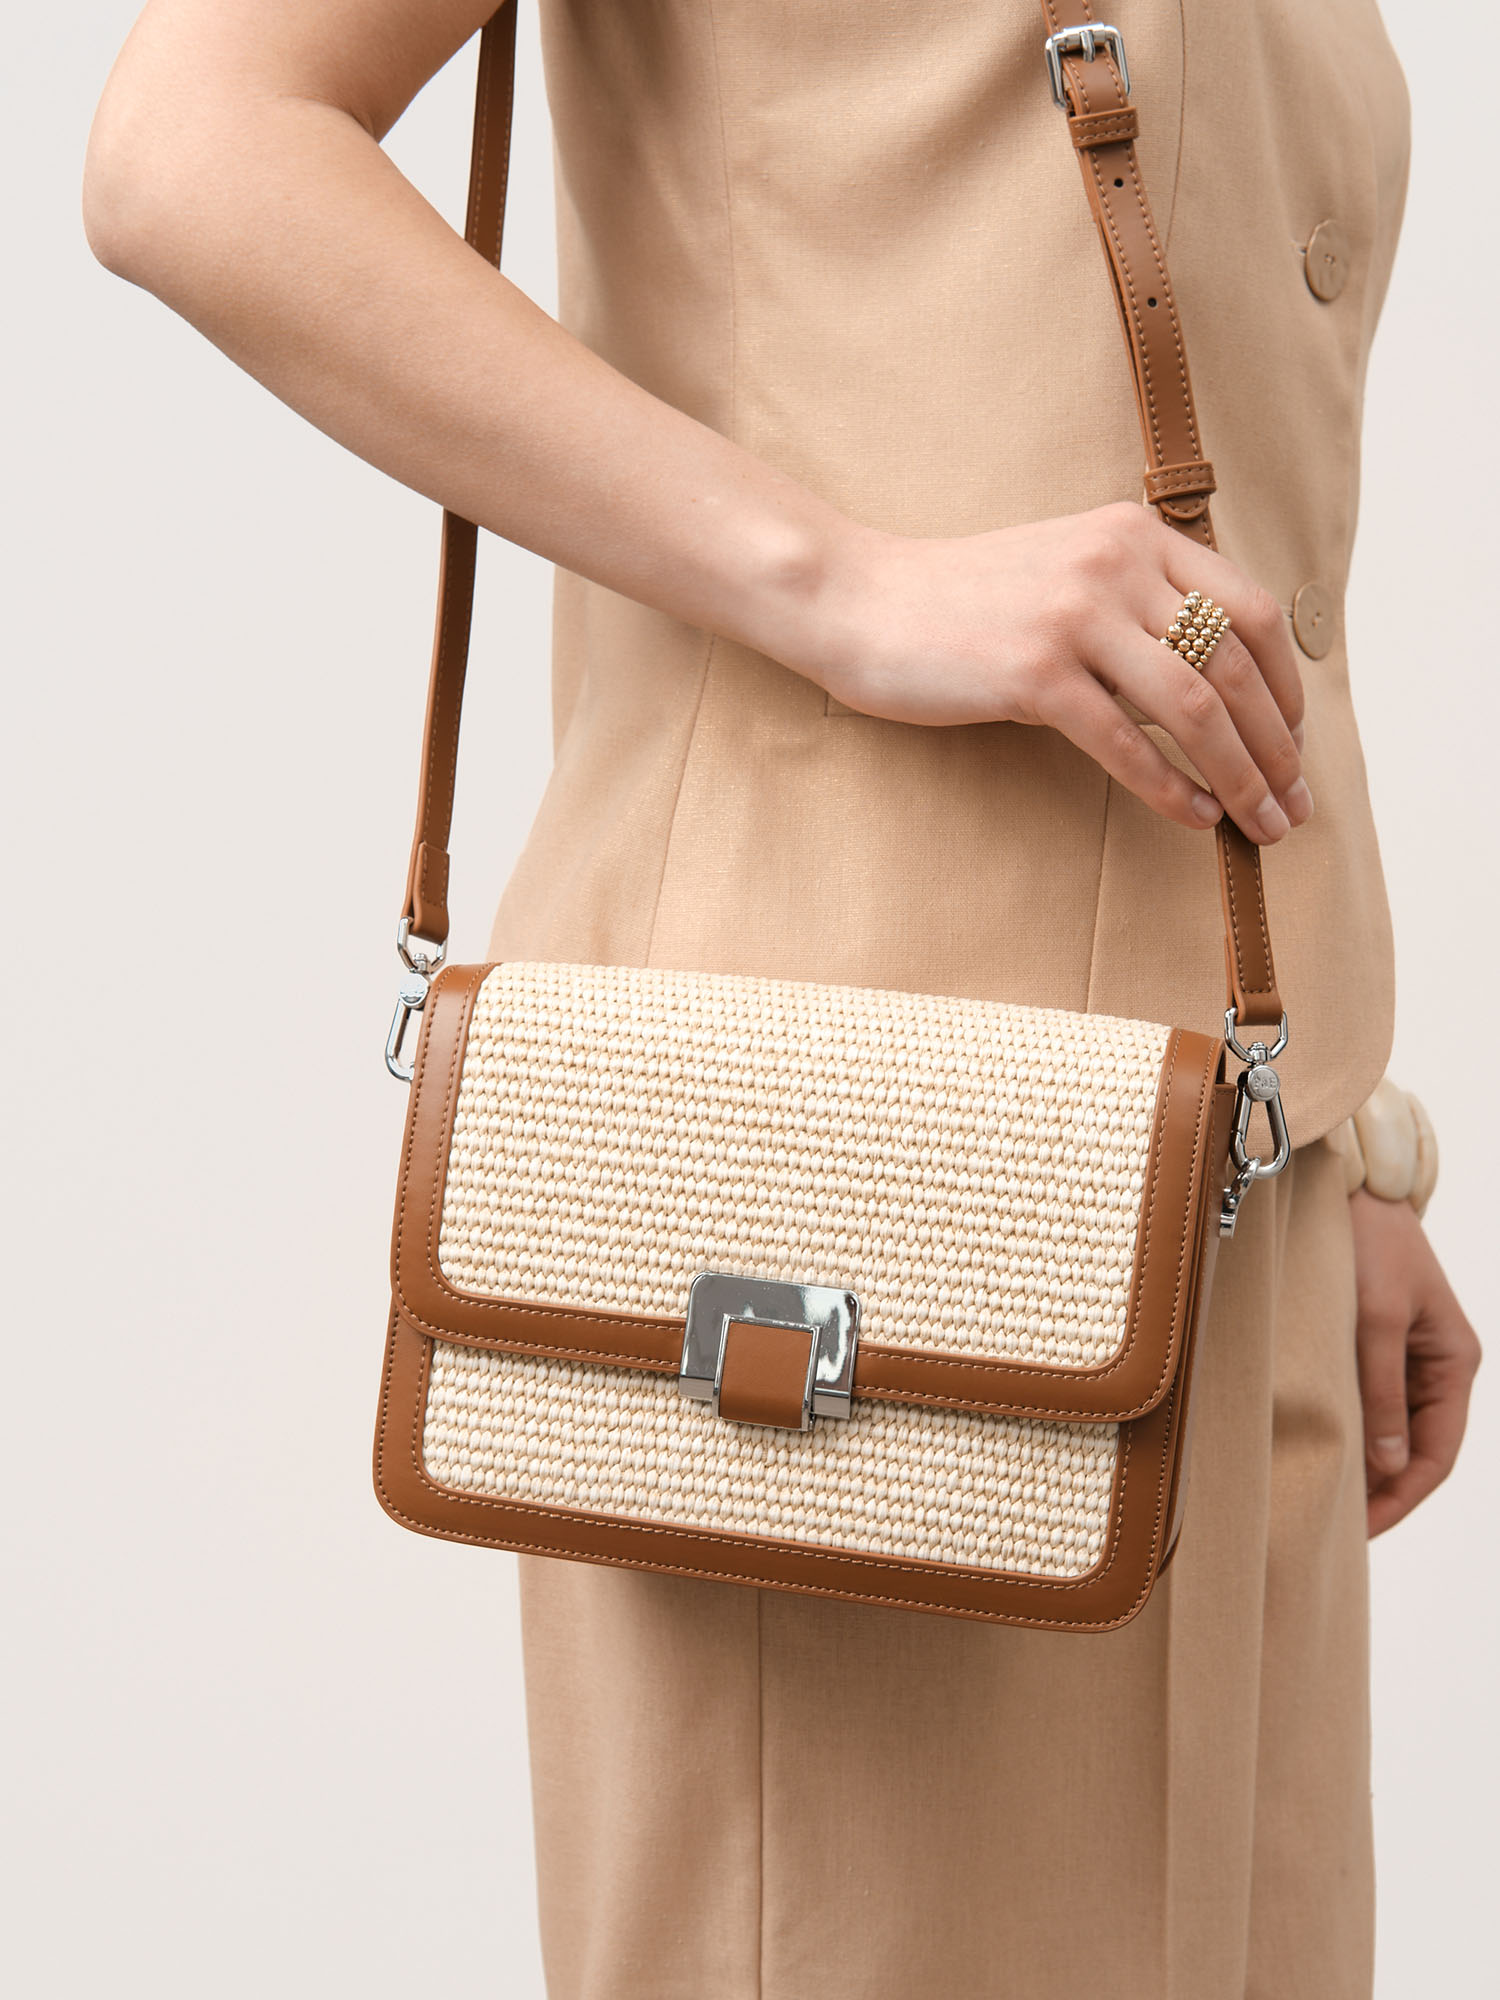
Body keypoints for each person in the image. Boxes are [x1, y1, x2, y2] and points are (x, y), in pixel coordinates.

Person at [84, 2, 1480, 1993]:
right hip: (825, 1214)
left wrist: (1344, 1126)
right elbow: (192, 142)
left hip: (1215, 1189)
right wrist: (843, 582)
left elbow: (1217, 486)